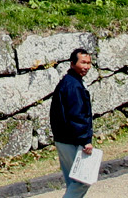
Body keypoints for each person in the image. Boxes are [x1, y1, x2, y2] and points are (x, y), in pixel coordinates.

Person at [49, 48, 96, 198]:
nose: (86, 66)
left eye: (89, 63)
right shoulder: (73, 86)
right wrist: (85, 140)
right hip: (71, 140)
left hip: (63, 138)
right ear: (72, 63)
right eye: (83, 62)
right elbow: (76, 116)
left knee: (73, 182)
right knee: (83, 180)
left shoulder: (71, 82)